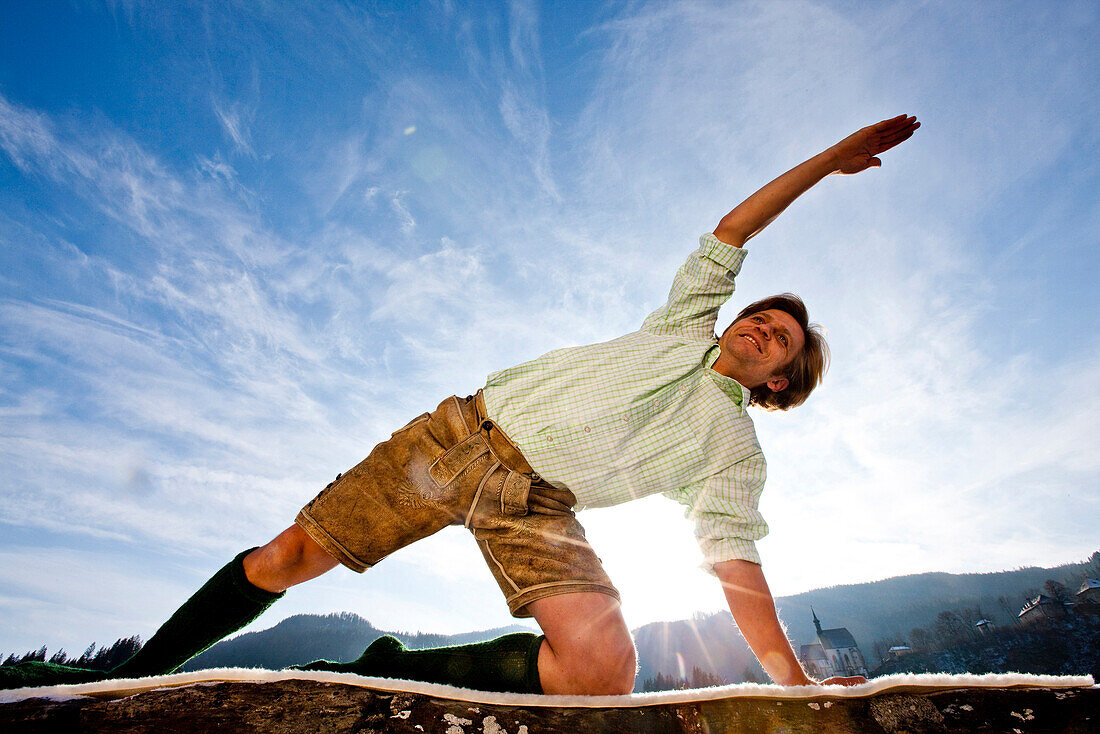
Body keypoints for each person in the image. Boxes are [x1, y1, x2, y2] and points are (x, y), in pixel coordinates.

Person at [2, 114, 918, 694]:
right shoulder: (683, 323)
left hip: (537, 504)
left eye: (781, 343)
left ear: (779, 386)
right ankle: (132, 674)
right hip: (456, 440)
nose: (762, 329)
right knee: (286, 558)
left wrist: (793, 682)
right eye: (762, 318)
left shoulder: (732, 451)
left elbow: (734, 565)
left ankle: (394, 673)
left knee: (603, 668)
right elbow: (733, 229)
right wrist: (829, 161)